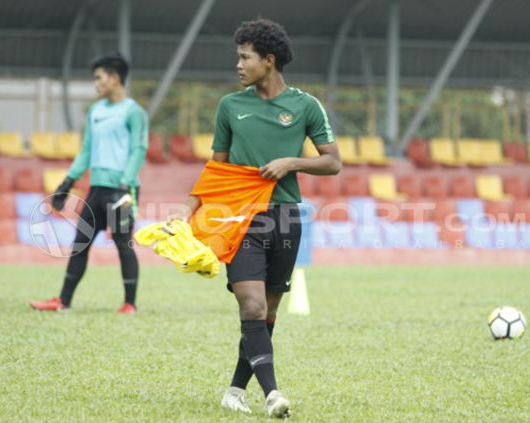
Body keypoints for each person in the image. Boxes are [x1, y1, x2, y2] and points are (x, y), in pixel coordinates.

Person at [175, 19, 341, 418]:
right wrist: (188, 209)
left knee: (266, 312)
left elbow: (332, 162)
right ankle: (272, 394)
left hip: (285, 219)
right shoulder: (231, 106)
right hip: (240, 219)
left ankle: (235, 389)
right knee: (249, 306)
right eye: (238, 57)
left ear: (269, 61)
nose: (238, 64)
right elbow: (216, 170)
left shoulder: (305, 105)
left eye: (245, 57)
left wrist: (291, 163)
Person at [29, 53, 148, 314]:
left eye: (98, 78)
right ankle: (63, 301)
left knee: (122, 244)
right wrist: (67, 182)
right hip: (96, 190)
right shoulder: (96, 110)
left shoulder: (134, 112)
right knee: (80, 242)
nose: (95, 84)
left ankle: (130, 304)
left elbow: (139, 149)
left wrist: (126, 185)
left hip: (121, 191)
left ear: (115, 78)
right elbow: (86, 150)